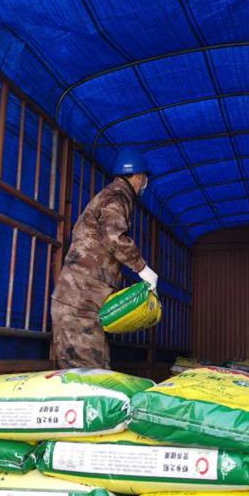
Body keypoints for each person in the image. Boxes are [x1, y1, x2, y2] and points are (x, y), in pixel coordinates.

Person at [51, 148, 158, 369]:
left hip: (79, 298)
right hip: (80, 300)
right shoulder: (117, 197)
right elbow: (113, 235)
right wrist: (142, 268)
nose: (145, 183)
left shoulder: (112, 195)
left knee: (85, 369)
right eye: (145, 178)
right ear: (138, 176)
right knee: (89, 373)